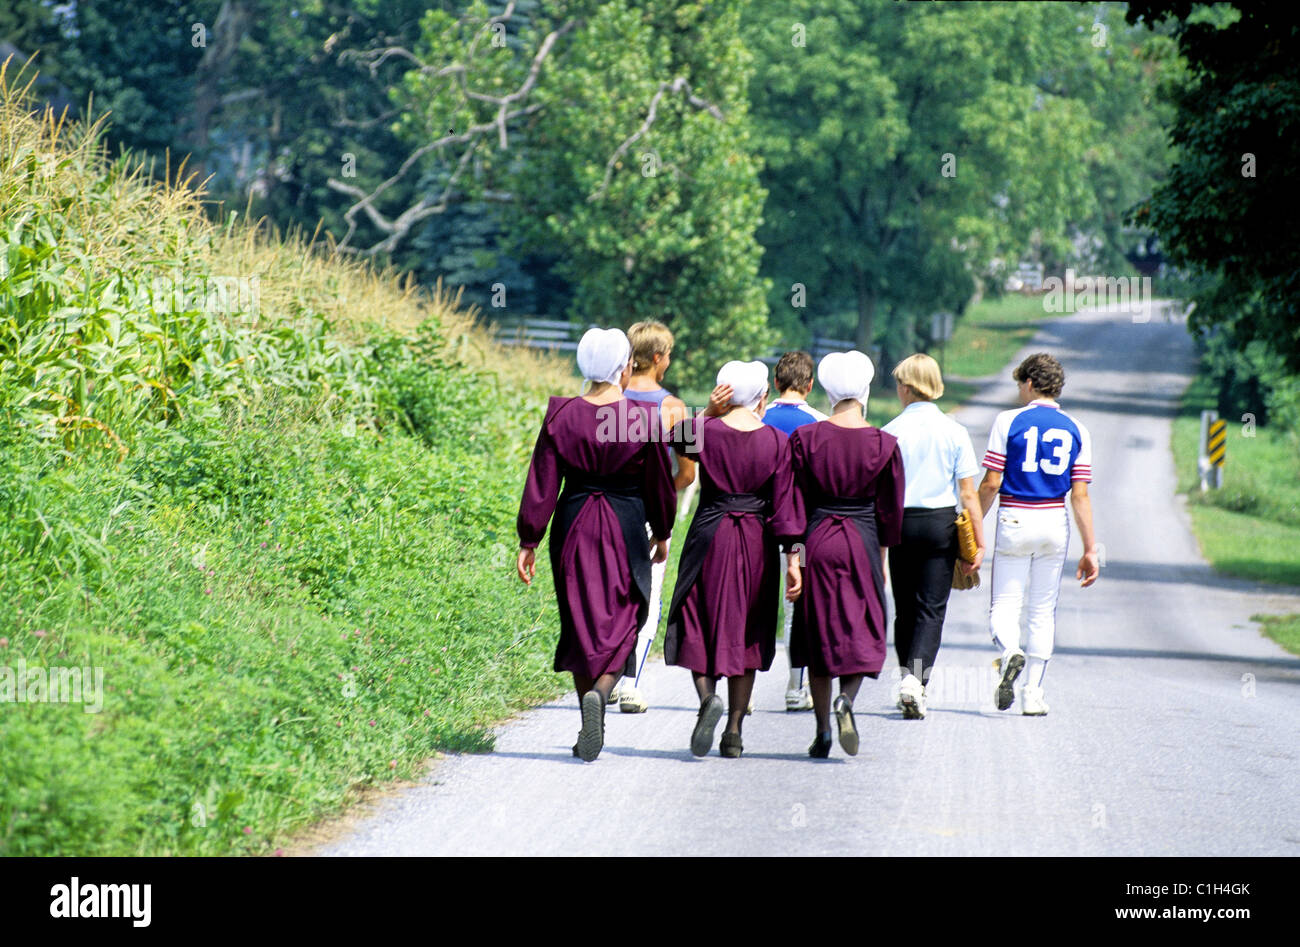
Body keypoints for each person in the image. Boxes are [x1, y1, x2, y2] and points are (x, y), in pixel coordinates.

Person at [515, 328, 676, 761]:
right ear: (624, 367)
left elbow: (542, 482)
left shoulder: (560, 414)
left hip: (573, 522)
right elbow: (661, 484)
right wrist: (662, 532)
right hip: (625, 525)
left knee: (581, 619)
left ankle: (590, 709)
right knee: (626, 616)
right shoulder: (640, 420)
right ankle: (602, 695)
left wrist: (529, 538)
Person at [664, 360, 803, 759]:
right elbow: (787, 508)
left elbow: (673, 440)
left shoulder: (708, 431)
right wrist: (795, 560)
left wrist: (708, 412)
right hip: (756, 539)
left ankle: (708, 698)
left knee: (697, 616)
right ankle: (735, 731)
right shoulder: (778, 441)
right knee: (749, 626)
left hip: (709, 531)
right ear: (762, 397)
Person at [787, 351, 905, 758]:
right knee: (861, 627)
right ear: (866, 389)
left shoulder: (805, 439)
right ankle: (847, 701)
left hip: (816, 538)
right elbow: (891, 513)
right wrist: (883, 559)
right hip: (863, 540)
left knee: (815, 631)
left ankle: (821, 731)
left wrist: (792, 558)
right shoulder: (885, 444)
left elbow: (794, 506)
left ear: (825, 390)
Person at [977, 352, 1099, 716]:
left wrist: (969, 525)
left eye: (1019, 384)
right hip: (1054, 523)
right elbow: (1080, 494)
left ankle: (1009, 651)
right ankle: (1033, 693)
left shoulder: (1007, 421)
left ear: (1030, 383)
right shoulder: (1078, 428)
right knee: (1043, 611)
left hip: (1015, 518)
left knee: (1005, 605)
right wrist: (1090, 548)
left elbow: (991, 482)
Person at [882, 354, 986, 719]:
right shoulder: (954, 430)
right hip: (940, 525)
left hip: (900, 524)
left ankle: (907, 678)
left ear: (908, 387)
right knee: (931, 609)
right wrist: (978, 541)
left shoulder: (889, 431)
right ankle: (917, 682)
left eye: (899, 384)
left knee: (905, 608)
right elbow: (969, 494)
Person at [609, 320, 696, 715]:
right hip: (649, 512)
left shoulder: (609, 397)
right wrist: (664, 489)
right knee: (649, 593)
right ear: (659, 358)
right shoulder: (675, 408)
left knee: (610, 591)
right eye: (670, 356)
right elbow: (689, 471)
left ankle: (603, 673)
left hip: (607, 506)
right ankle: (630, 685)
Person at [760, 351, 828, 713]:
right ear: (810, 384)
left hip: (755, 519)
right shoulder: (819, 422)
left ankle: (744, 681)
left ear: (775, 383)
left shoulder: (759, 416)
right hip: (799, 525)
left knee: (753, 600)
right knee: (794, 603)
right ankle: (794, 685)